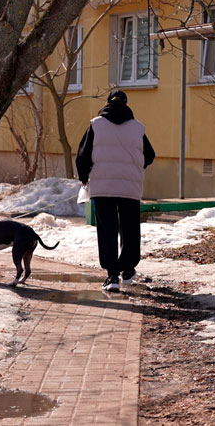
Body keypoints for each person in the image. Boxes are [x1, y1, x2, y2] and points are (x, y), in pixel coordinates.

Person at [75, 90, 155, 292]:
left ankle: (112, 276)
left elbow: (82, 155)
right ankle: (128, 269)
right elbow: (150, 155)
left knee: (107, 229)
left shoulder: (96, 125)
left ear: (107, 103)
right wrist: (135, 167)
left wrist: (84, 177)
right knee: (130, 228)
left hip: (103, 187)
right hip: (130, 186)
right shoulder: (138, 128)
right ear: (126, 104)